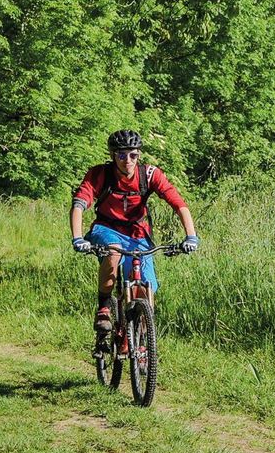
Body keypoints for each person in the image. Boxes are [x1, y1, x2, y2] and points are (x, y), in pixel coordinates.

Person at [70, 129, 199, 332]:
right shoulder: (101, 174)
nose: (127, 160)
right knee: (113, 252)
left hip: (138, 234)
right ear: (113, 156)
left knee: (147, 288)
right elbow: (79, 204)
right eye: (121, 155)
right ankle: (104, 306)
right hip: (106, 228)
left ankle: (141, 340)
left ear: (139, 155)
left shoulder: (148, 174)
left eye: (133, 155)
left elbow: (178, 204)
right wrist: (77, 238)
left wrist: (191, 236)